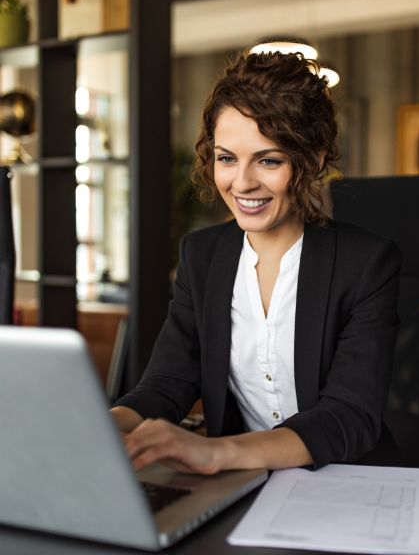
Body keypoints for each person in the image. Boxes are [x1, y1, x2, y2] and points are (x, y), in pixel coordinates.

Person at [111, 45, 401, 474]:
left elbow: (348, 415)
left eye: (268, 160)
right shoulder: (201, 256)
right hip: (245, 484)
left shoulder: (367, 264)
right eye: (227, 158)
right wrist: (104, 426)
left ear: (313, 159)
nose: (242, 182)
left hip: (346, 482)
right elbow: (167, 383)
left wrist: (218, 452)